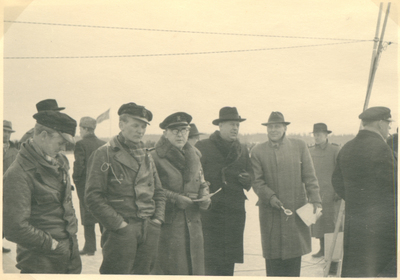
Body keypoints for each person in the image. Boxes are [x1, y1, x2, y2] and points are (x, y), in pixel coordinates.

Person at [85, 102, 166, 275]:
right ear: (121, 124)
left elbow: (158, 192)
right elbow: (93, 197)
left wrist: (156, 221)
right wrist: (120, 226)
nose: (140, 131)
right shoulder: (104, 154)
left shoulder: (146, 155)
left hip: (148, 229)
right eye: (135, 125)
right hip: (120, 232)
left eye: (143, 126)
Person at [3, 111, 82, 274]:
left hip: (70, 252)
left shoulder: (59, 161)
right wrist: (52, 244)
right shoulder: (19, 173)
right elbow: (14, 227)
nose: (63, 148)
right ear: (44, 135)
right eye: (60, 143)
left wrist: (71, 239)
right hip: (40, 259)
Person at [250, 111, 322, 277]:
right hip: (271, 213)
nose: (273, 130)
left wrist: (316, 201)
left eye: (277, 126)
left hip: (295, 211)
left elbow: (310, 176)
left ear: (284, 128)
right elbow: (257, 181)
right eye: (270, 127)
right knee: (273, 257)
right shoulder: (257, 151)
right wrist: (270, 197)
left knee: (293, 258)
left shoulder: (299, 146)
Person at [332, 106, 397, 277]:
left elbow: (336, 182)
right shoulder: (383, 150)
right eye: (388, 123)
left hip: (354, 224)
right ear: (380, 123)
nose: (389, 128)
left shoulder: (346, 148)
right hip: (381, 227)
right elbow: (394, 185)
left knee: (356, 269)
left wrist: (356, 199)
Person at [195, 106, 253, 276]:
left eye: (237, 125)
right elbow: (194, 175)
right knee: (210, 259)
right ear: (220, 126)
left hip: (234, 211)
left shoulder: (242, 149)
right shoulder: (203, 146)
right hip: (212, 212)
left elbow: (251, 173)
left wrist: (247, 179)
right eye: (231, 124)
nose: (235, 128)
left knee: (229, 260)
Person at [151, 112, 211, 275]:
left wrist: (205, 195)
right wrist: (175, 198)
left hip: (194, 224)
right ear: (165, 133)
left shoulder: (194, 155)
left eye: (184, 130)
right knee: (173, 270)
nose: (180, 135)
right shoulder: (153, 157)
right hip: (169, 226)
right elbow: (151, 190)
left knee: (195, 270)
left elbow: (202, 181)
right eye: (175, 131)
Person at [72, 117, 106, 256]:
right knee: (104, 215)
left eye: (80, 128)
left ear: (86, 129)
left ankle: (90, 247)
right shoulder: (103, 144)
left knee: (88, 217)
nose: (79, 131)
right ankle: (106, 245)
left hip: (86, 187)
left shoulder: (81, 144)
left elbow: (78, 166)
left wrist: (76, 180)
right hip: (103, 187)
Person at [308, 123, 341, 258]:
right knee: (319, 223)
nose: (317, 137)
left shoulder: (335, 150)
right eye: (315, 135)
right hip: (316, 193)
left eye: (319, 134)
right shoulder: (310, 151)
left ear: (326, 135)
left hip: (332, 194)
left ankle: (333, 251)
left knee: (331, 222)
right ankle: (322, 249)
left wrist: (339, 190)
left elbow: (341, 171)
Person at [3, 120, 18, 253]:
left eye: (8, 132)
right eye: (4, 131)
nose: (6, 134)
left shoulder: (15, 149)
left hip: (8, 188)